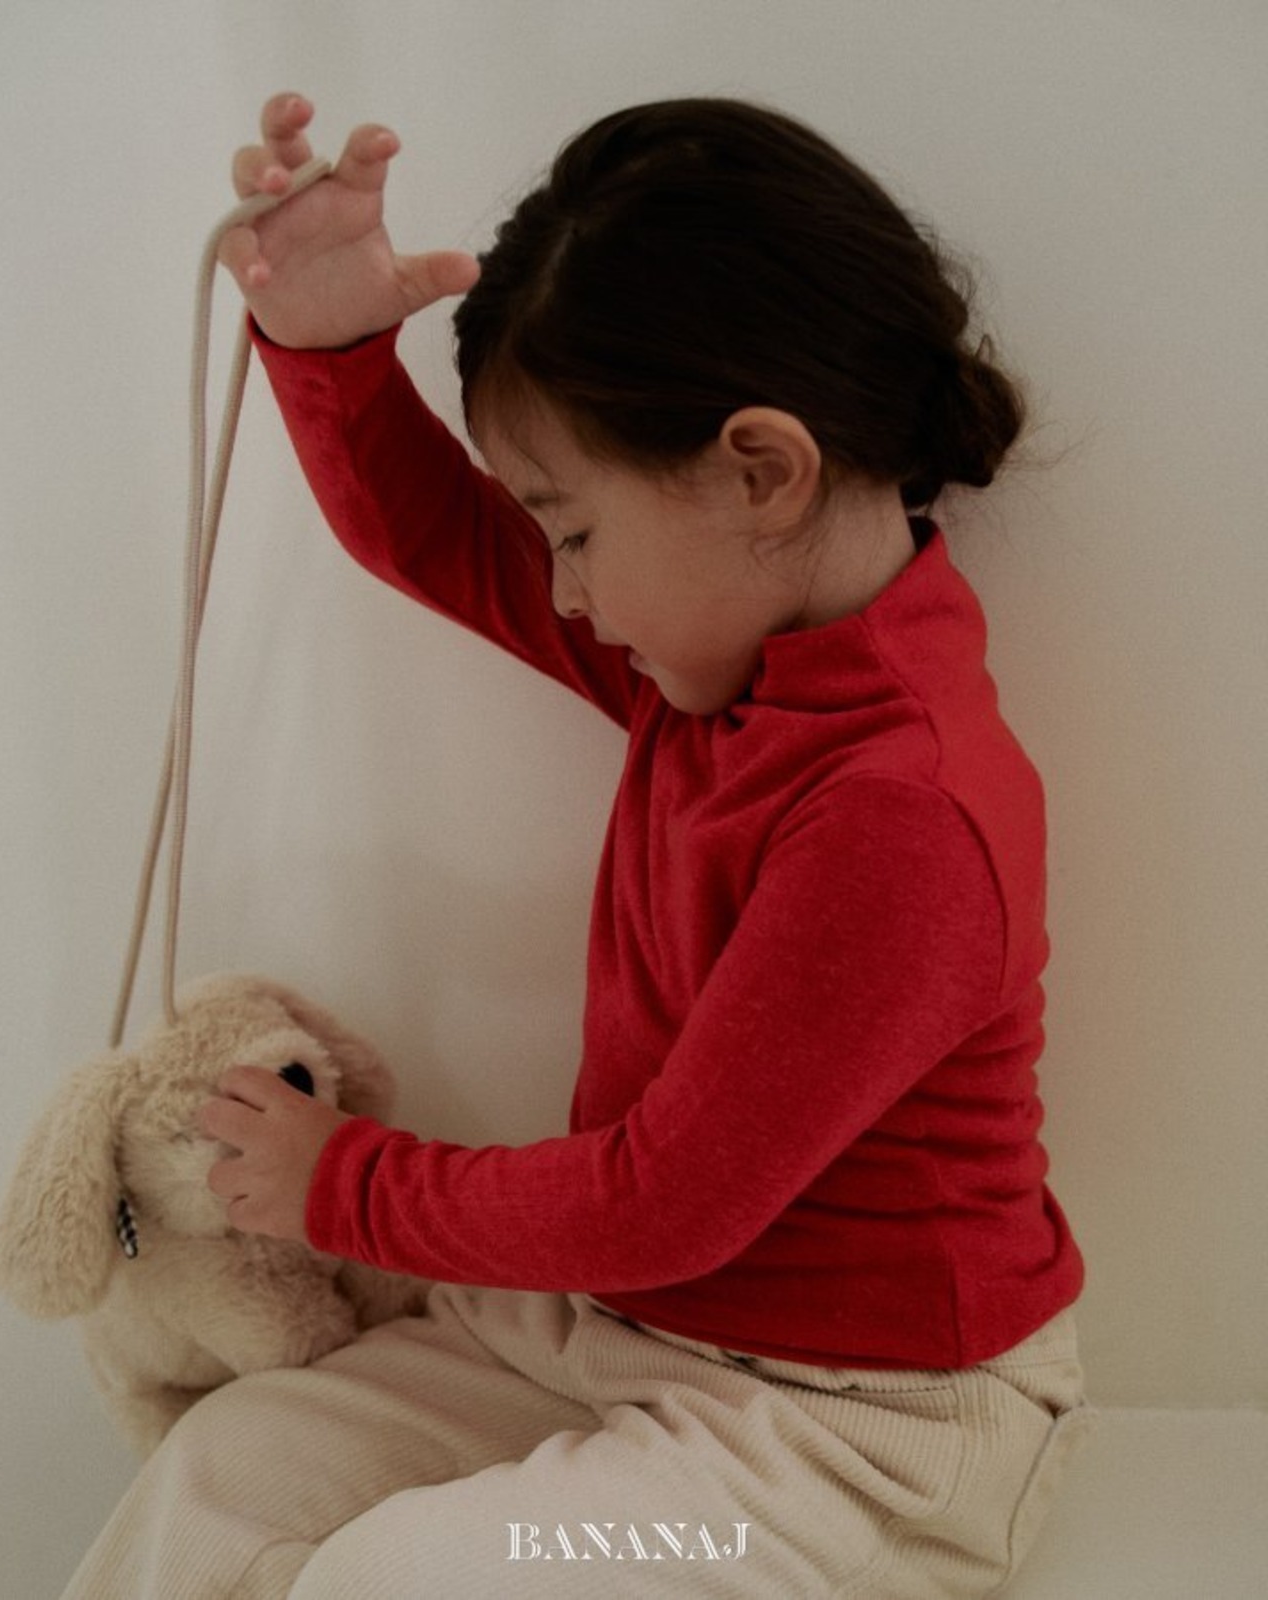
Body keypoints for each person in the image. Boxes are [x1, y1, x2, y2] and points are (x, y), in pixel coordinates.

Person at [63, 92, 1093, 1598]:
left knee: (411, 1580)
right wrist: (334, 347)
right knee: (227, 1468)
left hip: (855, 1430)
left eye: (576, 531)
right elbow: (436, 537)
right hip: (620, 1330)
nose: (565, 591)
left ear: (762, 472)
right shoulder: (717, 664)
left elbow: (661, 1201)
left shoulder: (901, 814)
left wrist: (342, 1183)